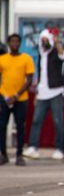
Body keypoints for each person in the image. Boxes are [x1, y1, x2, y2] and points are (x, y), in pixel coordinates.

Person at [24, 30, 64, 160]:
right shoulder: (42, 54)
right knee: (36, 120)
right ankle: (33, 146)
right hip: (42, 92)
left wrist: (56, 42)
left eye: (46, 40)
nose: (44, 43)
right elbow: (41, 75)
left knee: (58, 121)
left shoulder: (56, 52)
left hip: (56, 92)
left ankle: (59, 148)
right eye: (42, 41)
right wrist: (37, 94)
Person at [0, 34, 34, 166]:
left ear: (20, 44)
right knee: (2, 126)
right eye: (12, 41)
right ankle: (3, 154)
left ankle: (19, 154)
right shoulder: (2, 59)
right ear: (8, 44)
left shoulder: (26, 59)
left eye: (17, 41)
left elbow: (29, 80)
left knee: (20, 126)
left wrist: (16, 95)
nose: (14, 44)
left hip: (21, 98)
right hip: (4, 96)